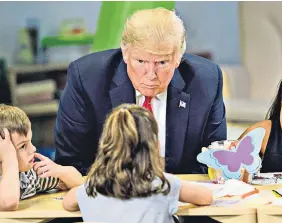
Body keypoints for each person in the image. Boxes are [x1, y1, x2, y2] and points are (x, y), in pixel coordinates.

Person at [54, 7, 226, 175]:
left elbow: (214, 160)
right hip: (108, 195)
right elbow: (71, 163)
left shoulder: (206, 81)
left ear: (178, 56)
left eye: (162, 63)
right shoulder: (87, 78)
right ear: (125, 52)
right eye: (141, 61)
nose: (151, 75)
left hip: (181, 197)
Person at [62, 104, 213, 223]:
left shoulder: (90, 189)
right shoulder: (163, 185)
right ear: (154, 145)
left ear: (105, 145)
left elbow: (68, 203)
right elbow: (206, 197)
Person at [0, 103, 84, 222]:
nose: (33, 149)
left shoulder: (27, 175)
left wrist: (59, 170)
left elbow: (79, 183)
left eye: (30, 142)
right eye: (23, 146)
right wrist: (9, 157)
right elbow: (8, 202)